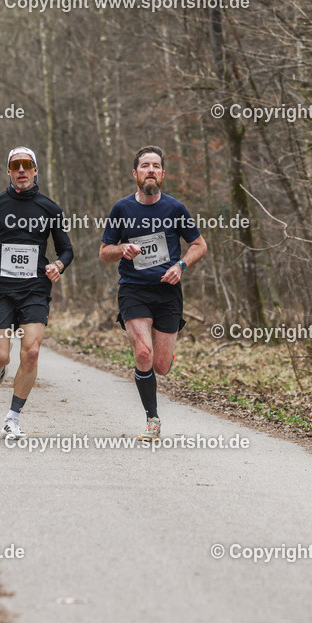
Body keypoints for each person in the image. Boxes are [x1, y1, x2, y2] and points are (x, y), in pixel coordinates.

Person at [99, 146, 207, 440]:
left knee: (160, 365)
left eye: (156, 166)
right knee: (143, 354)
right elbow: (104, 252)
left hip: (168, 292)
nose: (150, 170)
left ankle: (167, 354)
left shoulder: (175, 208)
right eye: (144, 165)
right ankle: (152, 420)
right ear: (135, 174)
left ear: (162, 174)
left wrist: (181, 265)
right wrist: (122, 248)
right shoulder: (122, 209)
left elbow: (199, 245)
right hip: (133, 290)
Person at [0, 146, 74, 440]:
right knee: (0, 357)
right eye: (16, 166)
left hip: (35, 289)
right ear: (9, 171)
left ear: (36, 170)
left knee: (32, 351)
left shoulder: (50, 209)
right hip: (0, 290)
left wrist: (58, 265)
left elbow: (66, 249)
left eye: (27, 165)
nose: (22, 170)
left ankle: (12, 418)